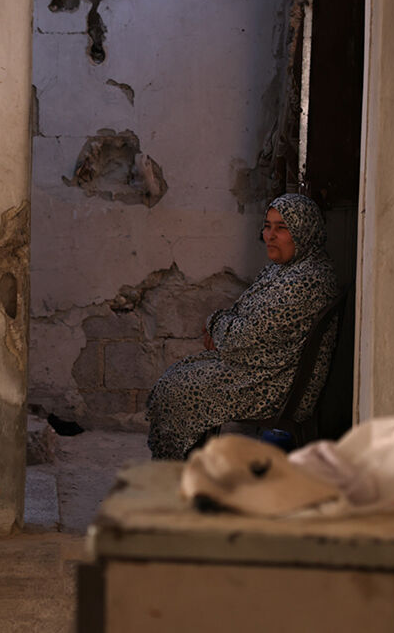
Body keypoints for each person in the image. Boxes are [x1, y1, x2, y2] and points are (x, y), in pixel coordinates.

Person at [146, 193, 340, 460]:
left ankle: (176, 469)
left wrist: (214, 324)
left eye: (282, 228)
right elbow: (242, 315)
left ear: (304, 230)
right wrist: (222, 328)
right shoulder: (285, 269)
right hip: (263, 368)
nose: (270, 236)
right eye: (267, 226)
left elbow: (242, 337)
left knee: (175, 391)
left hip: (277, 385)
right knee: (179, 377)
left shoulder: (306, 281)